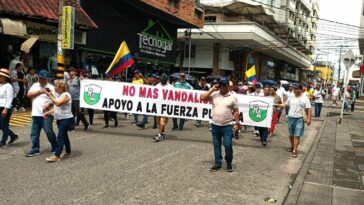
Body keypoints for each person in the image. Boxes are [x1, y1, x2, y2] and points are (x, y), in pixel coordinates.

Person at [201, 77, 240, 172]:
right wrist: (212, 89)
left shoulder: (233, 96)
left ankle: (229, 162)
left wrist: (237, 123)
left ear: (227, 86)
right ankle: (217, 163)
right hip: (215, 125)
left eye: (224, 85)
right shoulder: (214, 94)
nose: (222, 86)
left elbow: (235, 111)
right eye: (221, 84)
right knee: (216, 145)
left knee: (228, 145)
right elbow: (203, 98)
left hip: (227, 126)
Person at [25, 70, 57, 157]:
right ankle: (35, 149)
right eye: (41, 78)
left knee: (49, 131)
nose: (42, 80)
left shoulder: (52, 88)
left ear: (47, 79)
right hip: (35, 114)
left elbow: (56, 101)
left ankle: (55, 147)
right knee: (34, 133)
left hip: (47, 114)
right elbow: (28, 94)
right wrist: (39, 91)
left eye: (44, 79)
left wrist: (49, 104)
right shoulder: (35, 85)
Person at [275, 84, 312, 158]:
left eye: (296, 89)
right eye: (294, 89)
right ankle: (292, 146)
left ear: (301, 90)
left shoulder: (305, 98)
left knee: (297, 135)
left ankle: (295, 149)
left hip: (299, 119)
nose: (294, 90)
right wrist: (276, 105)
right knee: (291, 135)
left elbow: (309, 109)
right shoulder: (291, 97)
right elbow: (285, 104)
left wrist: (309, 119)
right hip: (290, 118)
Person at [44, 80, 74, 162]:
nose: (54, 87)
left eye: (56, 86)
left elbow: (58, 103)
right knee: (64, 136)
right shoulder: (60, 95)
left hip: (66, 119)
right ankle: (68, 152)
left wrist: (50, 95)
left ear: (61, 87)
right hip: (61, 119)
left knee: (60, 137)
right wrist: (48, 112)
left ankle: (57, 155)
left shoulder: (66, 95)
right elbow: (57, 108)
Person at [0, 68, 19, 148]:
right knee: (1, 125)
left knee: (4, 125)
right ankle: (13, 135)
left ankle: (2, 143)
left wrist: (6, 109)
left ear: (6, 77)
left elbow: (9, 98)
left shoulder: (9, 86)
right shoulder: (0, 85)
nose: (0, 77)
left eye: (2, 76)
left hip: (5, 108)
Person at [154, 74, 173, 142]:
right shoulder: (157, 86)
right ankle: (163, 133)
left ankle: (159, 135)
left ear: (166, 79)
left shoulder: (170, 86)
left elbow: (173, 95)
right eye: (161, 78)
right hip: (158, 105)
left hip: (166, 106)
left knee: (163, 120)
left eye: (163, 78)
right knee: (158, 121)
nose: (162, 80)